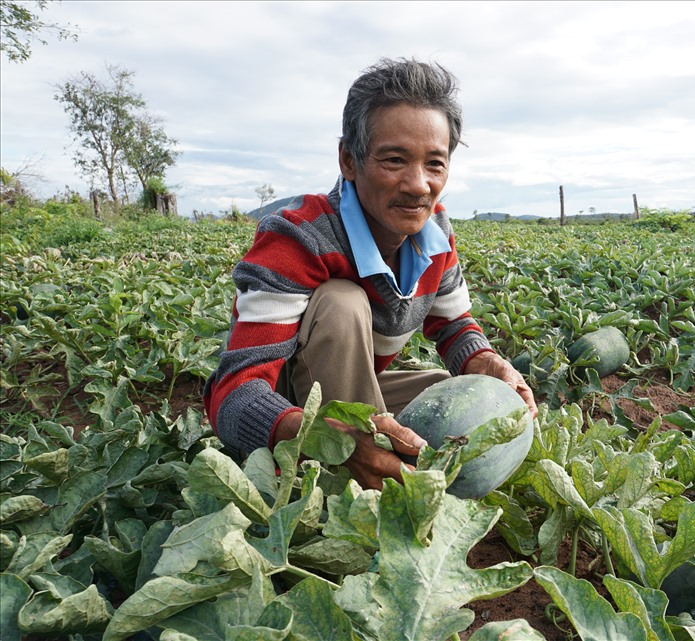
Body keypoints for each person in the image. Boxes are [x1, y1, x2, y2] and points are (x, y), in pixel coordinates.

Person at [203, 57, 537, 490]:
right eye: (395, 160)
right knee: (342, 302)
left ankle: (376, 452)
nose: (418, 185)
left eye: (434, 164)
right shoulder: (299, 237)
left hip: (352, 392)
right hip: (284, 405)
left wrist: (485, 360)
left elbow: (454, 325)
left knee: (456, 394)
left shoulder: (434, 232)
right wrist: (322, 438)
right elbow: (232, 394)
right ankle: (347, 478)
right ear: (349, 160)